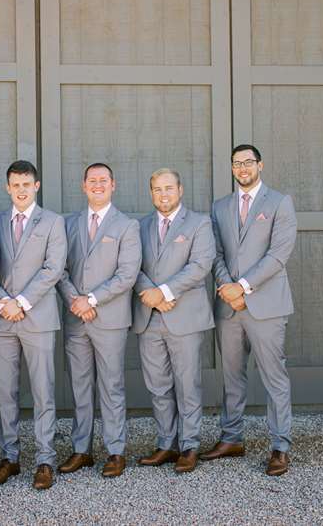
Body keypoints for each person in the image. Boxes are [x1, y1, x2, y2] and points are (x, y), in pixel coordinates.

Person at [202, 144, 297, 476]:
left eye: (248, 162)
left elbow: (278, 254)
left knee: (274, 377)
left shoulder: (279, 202)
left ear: (260, 165)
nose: (243, 168)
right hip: (229, 307)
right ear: (231, 168)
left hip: (266, 304)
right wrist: (229, 289)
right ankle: (232, 437)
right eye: (237, 163)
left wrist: (242, 287)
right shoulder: (220, 206)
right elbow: (214, 252)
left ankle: (280, 446)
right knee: (231, 376)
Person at [0, 160, 66, 490]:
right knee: (6, 391)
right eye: (15, 184)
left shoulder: (53, 222)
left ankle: (45, 459)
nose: (21, 189)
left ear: (36, 186)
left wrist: (23, 302)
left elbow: (53, 268)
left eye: (26, 184)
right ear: (8, 188)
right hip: (2, 318)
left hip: (38, 317)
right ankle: (10, 456)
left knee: (43, 390)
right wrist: (4, 302)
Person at [57, 163, 141, 478]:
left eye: (103, 180)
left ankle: (115, 450)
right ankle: (82, 450)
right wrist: (75, 301)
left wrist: (91, 300)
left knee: (111, 385)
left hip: (109, 318)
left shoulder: (126, 226)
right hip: (76, 318)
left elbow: (127, 274)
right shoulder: (69, 224)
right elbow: (59, 270)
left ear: (113, 185)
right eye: (92, 180)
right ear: (83, 186)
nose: (97, 185)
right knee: (80, 386)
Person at [133, 168, 214, 474]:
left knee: (187, 383)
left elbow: (201, 264)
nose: (163, 194)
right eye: (156, 189)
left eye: (168, 188)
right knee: (158, 384)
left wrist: (165, 291)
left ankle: (190, 444)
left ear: (180, 189)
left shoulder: (199, 223)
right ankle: (167, 444)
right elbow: (131, 266)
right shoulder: (139, 226)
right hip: (149, 316)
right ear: (150, 193)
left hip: (184, 316)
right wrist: (149, 293)